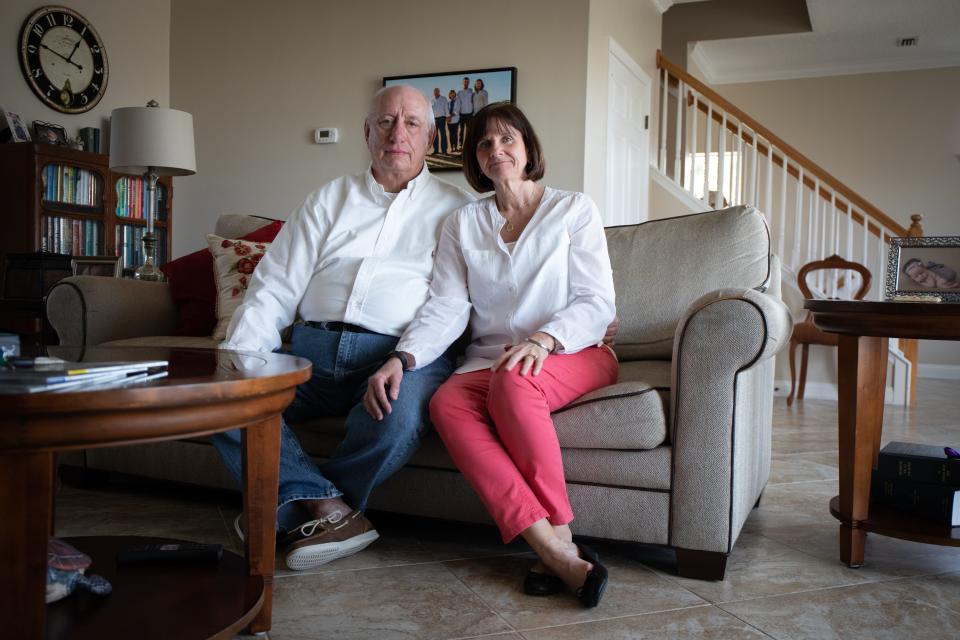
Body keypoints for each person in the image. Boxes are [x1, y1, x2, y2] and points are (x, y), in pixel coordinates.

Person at [363, 102, 618, 607]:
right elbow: (447, 305)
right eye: (484, 143)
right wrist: (403, 358)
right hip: (489, 361)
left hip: (573, 350)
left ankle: (560, 539)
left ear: (528, 149)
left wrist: (544, 339)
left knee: (516, 381)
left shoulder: (574, 209)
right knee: (445, 403)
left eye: (507, 140)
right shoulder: (463, 222)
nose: (496, 150)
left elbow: (597, 301)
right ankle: (553, 549)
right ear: (474, 160)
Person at [213, 85, 474, 571]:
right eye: (387, 121)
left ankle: (287, 507)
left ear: (431, 137)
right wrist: (241, 359)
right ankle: (327, 510)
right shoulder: (327, 199)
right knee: (225, 399)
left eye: (412, 123)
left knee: (395, 421)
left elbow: (451, 303)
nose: (398, 133)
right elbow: (275, 283)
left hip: (393, 355)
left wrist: (404, 358)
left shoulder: (457, 210)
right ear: (367, 132)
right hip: (310, 351)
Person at [456, 76, 474, 149]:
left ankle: (468, 144)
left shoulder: (471, 92)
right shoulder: (459, 92)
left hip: (470, 113)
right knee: (461, 130)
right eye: (465, 82)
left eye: (467, 82)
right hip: (462, 114)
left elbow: (473, 101)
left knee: (469, 130)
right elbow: (458, 103)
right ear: (463, 83)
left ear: (469, 83)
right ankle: (460, 144)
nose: (466, 83)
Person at [430, 87, 449, 155]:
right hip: (434, 119)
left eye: (437, 91)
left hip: (442, 118)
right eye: (435, 91)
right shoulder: (432, 100)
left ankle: (444, 151)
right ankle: (436, 150)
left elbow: (446, 108)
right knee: (435, 135)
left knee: (443, 134)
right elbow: (431, 111)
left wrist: (448, 116)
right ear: (434, 93)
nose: (436, 92)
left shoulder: (443, 99)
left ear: (439, 92)